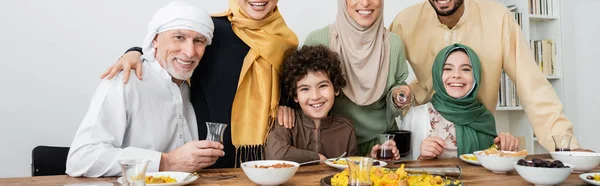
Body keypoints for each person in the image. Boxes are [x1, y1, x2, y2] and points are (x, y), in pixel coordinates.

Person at [100, 0, 299, 168]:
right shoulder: (212, 28)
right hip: (208, 158)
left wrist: (289, 105)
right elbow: (167, 48)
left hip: (268, 161)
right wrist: (133, 52)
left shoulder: (284, 39)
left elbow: (294, 86)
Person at [389, 0, 589, 152]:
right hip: (426, 136)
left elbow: (532, 85)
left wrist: (567, 147)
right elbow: (385, 73)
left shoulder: (497, 18)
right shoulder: (405, 22)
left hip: (480, 133)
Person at [66, 1, 224, 177]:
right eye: (178, 37)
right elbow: (81, 159)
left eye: (199, 41)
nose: (189, 51)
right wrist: (166, 162)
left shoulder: (191, 87)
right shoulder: (125, 80)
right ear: (155, 40)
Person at [277, 0, 411, 156]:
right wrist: (283, 107)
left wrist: (399, 94)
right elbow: (302, 87)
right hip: (333, 145)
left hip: (381, 144)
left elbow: (397, 86)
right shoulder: (320, 40)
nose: (365, 3)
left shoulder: (394, 44)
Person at [266, 45, 400, 163]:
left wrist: (372, 158)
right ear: (295, 95)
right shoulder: (287, 123)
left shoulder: (345, 129)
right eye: (305, 89)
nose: (315, 96)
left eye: (323, 86)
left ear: (336, 88)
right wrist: (318, 158)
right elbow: (275, 155)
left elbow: (350, 168)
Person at [402, 44, 520, 160]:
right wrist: (422, 158)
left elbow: (491, 163)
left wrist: (505, 150)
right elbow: (401, 170)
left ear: (476, 76)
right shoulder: (415, 117)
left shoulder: (484, 118)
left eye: (465, 69)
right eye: (448, 69)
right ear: (437, 74)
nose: (456, 75)